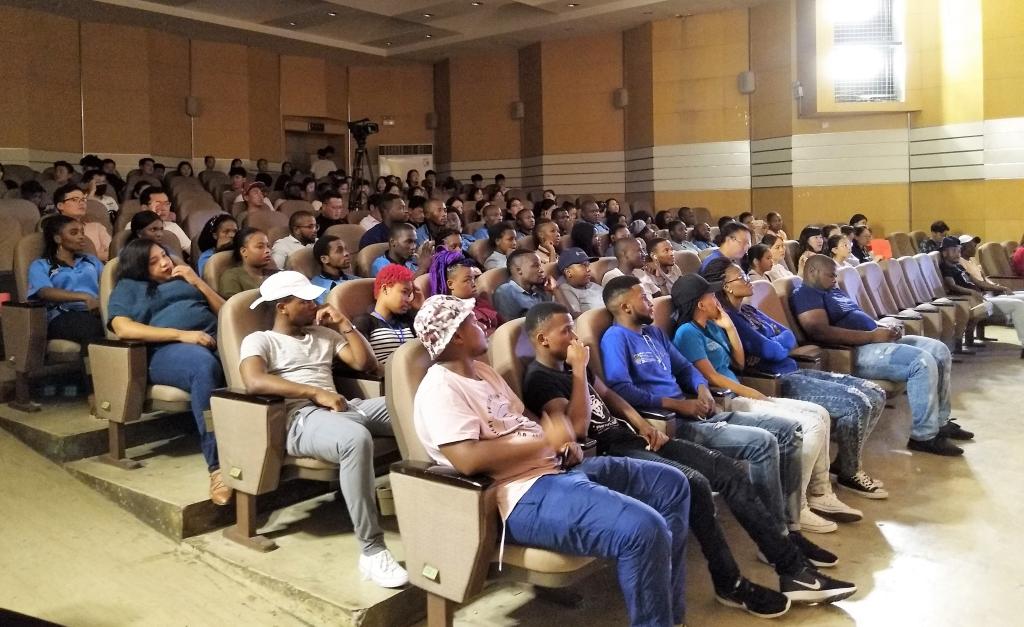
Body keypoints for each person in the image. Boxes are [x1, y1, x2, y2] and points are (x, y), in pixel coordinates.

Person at [522, 303, 855, 611]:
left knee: (727, 471)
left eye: (573, 328)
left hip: (635, 439)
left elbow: (611, 396)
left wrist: (642, 424)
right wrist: (579, 371)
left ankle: (792, 569)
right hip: (609, 454)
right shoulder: (541, 379)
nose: (575, 337)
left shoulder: (573, 367)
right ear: (542, 338)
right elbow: (578, 429)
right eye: (566, 330)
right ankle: (730, 583)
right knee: (694, 484)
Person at [412, 295, 692, 627]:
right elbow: (467, 459)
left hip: (557, 468)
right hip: (517, 495)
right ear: (457, 335)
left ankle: (669, 617)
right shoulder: (440, 390)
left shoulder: (484, 373)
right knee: (644, 529)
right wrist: (545, 440)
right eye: (472, 321)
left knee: (672, 485)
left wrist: (560, 441)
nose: (482, 323)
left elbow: (524, 421)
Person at [599, 275, 806, 537]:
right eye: (643, 297)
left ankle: (791, 521)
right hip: (672, 421)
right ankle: (777, 536)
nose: (651, 302)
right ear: (626, 307)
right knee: (762, 443)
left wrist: (702, 388)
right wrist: (678, 405)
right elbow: (621, 389)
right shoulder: (615, 338)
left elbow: (686, 368)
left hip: (696, 411)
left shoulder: (654, 333)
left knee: (789, 429)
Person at [238, 272, 406, 587]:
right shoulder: (260, 340)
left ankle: (437, 499)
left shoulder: (323, 334)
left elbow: (365, 363)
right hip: (302, 418)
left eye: (313, 298)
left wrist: (344, 323)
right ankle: (372, 551)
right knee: (355, 439)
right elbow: (254, 381)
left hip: (344, 406)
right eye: (304, 301)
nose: (314, 304)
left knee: (412, 408)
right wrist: (314, 393)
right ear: (282, 307)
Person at [673, 266, 863, 530]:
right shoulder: (687, 333)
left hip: (740, 390)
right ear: (699, 304)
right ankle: (796, 507)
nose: (717, 300)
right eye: (711, 296)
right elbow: (712, 377)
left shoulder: (715, 326)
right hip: (726, 399)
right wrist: (751, 393)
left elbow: (739, 363)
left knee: (819, 413)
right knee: (810, 425)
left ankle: (820, 493)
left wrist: (730, 328)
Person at [712, 259, 889, 499]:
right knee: (856, 403)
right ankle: (851, 472)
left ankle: (844, 463)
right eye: (741, 277)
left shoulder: (749, 311)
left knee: (875, 392)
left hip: (794, 369)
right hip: (776, 380)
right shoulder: (731, 318)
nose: (747, 279)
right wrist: (776, 343)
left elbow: (789, 337)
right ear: (726, 287)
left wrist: (776, 344)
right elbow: (770, 350)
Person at [792, 255, 974, 456]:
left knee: (939, 351)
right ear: (812, 272)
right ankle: (924, 436)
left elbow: (856, 318)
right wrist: (872, 336)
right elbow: (819, 331)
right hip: (853, 352)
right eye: (831, 276)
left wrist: (884, 328)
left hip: (875, 340)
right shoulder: (805, 294)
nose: (835, 280)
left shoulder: (832, 291)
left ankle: (941, 422)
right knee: (921, 363)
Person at [107, 239, 228, 504]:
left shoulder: (185, 280)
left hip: (214, 339)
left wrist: (198, 282)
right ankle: (218, 467)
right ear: (139, 267)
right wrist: (182, 335)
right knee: (203, 366)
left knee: (255, 354)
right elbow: (123, 328)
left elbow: (227, 313)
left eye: (164, 255)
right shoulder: (129, 287)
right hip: (165, 351)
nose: (164, 263)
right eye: (153, 261)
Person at [28, 215, 105, 362]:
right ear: (58, 238)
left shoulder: (91, 260)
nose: (81, 236)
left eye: (82, 232)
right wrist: (84, 297)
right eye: (74, 233)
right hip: (61, 316)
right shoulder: (41, 265)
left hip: (96, 311)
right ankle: (92, 375)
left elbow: (107, 283)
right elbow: (44, 291)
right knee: (91, 327)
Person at [938, 237, 1008, 349]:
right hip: (964, 297)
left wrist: (993, 287)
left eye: (958, 251)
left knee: (983, 311)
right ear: (945, 253)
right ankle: (960, 343)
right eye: (953, 251)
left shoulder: (959, 266)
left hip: (973, 296)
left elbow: (975, 281)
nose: (957, 254)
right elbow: (952, 285)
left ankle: (969, 339)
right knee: (977, 312)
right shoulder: (945, 267)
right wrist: (971, 292)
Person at [354, 264, 417, 370]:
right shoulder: (364, 322)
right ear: (385, 289)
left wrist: (421, 306)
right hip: (386, 377)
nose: (408, 300)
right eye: (404, 292)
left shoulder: (408, 319)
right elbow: (363, 362)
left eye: (409, 294)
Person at [428, 250, 502, 336]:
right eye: (467, 280)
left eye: (473, 278)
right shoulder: (450, 315)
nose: (474, 284)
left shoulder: (481, 301)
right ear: (450, 284)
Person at [493, 249, 568, 321]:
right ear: (519, 270)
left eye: (540, 265)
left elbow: (566, 316)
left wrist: (556, 289)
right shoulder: (506, 291)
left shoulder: (539, 291)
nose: (542, 270)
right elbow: (513, 326)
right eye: (535, 266)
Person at [53, 183, 111, 262]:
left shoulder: (97, 227)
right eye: (74, 199)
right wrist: (97, 255)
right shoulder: (55, 230)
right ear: (60, 205)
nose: (82, 203)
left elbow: (113, 253)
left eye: (83, 199)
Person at [218, 227, 276, 299]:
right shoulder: (232, 276)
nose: (267, 250)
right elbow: (232, 304)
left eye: (268, 246)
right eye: (260, 247)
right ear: (244, 251)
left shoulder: (275, 275)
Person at [136, 186, 191, 252]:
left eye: (166, 204)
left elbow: (193, 252)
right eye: (158, 204)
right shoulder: (133, 227)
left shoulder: (173, 227)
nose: (164, 209)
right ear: (144, 208)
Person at [556, 248, 603, 316]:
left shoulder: (594, 285)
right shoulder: (566, 289)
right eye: (583, 265)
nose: (588, 269)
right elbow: (575, 318)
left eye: (588, 265)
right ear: (568, 272)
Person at [310, 235, 355, 304]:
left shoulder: (355, 279)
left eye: (346, 249)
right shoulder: (317, 287)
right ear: (324, 259)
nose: (346, 253)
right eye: (339, 251)